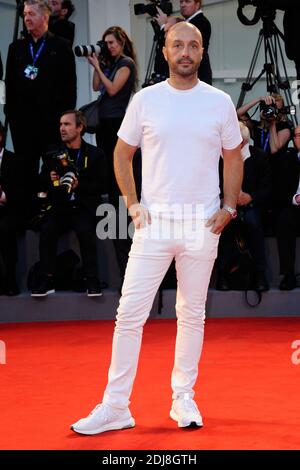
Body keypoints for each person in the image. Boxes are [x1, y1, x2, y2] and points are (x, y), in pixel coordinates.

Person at [70, 22, 243, 435]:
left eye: (193, 45)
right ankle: (115, 406)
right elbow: (122, 153)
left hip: (202, 226)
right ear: (164, 52)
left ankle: (183, 398)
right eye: (177, 45)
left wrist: (230, 207)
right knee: (128, 314)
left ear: (202, 53)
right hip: (154, 225)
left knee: (191, 314)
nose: (186, 51)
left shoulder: (219, 102)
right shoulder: (145, 100)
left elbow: (234, 157)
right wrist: (132, 204)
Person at [5, 0, 77, 207]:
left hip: (51, 123)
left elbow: (69, 88)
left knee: (53, 170)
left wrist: (64, 121)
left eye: (32, 14)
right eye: (25, 14)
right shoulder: (16, 48)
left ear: (45, 17)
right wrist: (11, 115)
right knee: (24, 170)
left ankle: (53, 210)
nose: (27, 18)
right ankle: (27, 213)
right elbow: (9, 84)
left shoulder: (61, 46)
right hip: (23, 124)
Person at [31, 110, 107, 297]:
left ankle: (91, 279)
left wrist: (79, 185)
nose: (62, 129)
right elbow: (41, 183)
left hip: (83, 206)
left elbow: (103, 183)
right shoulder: (51, 153)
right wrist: (50, 179)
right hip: (59, 206)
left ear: (80, 127)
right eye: (60, 124)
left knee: (85, 230)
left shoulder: (95, 154)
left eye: (67, 124)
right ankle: (47, 279)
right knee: (47, 230)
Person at [87, 26, 138, 284]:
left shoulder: (126, 63)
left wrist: (99, 67)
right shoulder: (111, 62)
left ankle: (120, 204)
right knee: (107, 169)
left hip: (118, 123)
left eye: (111, 42)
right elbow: (97, 87)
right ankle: (113, 201)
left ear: (121, 42)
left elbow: (113, 90)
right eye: (105, 43)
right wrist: (98, 64)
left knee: (116, 169)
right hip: (105, 124)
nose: (108, 47)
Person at [217, 122, 272, 292]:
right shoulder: (217, 157)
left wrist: (250, 197)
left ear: (243, 142)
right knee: (225, 225)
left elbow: (268, 188)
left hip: (251, 205)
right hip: (224, 205)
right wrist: (224, 201)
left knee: (253, 222)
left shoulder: (259, 157)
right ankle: (223, 274)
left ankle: (259, 273)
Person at [155, 0, 212, 84]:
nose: (183, 5)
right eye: (181, 2)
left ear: (197, 4)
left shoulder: (201, 22)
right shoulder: (191, 22)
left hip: (195, 78)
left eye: (188, 2)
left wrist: (163, 26)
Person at [272, 126, 300, 290]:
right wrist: (295, 198)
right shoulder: (288, 158)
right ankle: (288, 275)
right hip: (294, 205)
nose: (297, 138)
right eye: (296, 135)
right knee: (283, 221)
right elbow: (281, 187)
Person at [0, 122, 27, 296]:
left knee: (5, 230)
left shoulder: (15, 161)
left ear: (1, 136)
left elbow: (23, 192)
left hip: (8, 210)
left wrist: (3, 196)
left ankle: (10, 280)